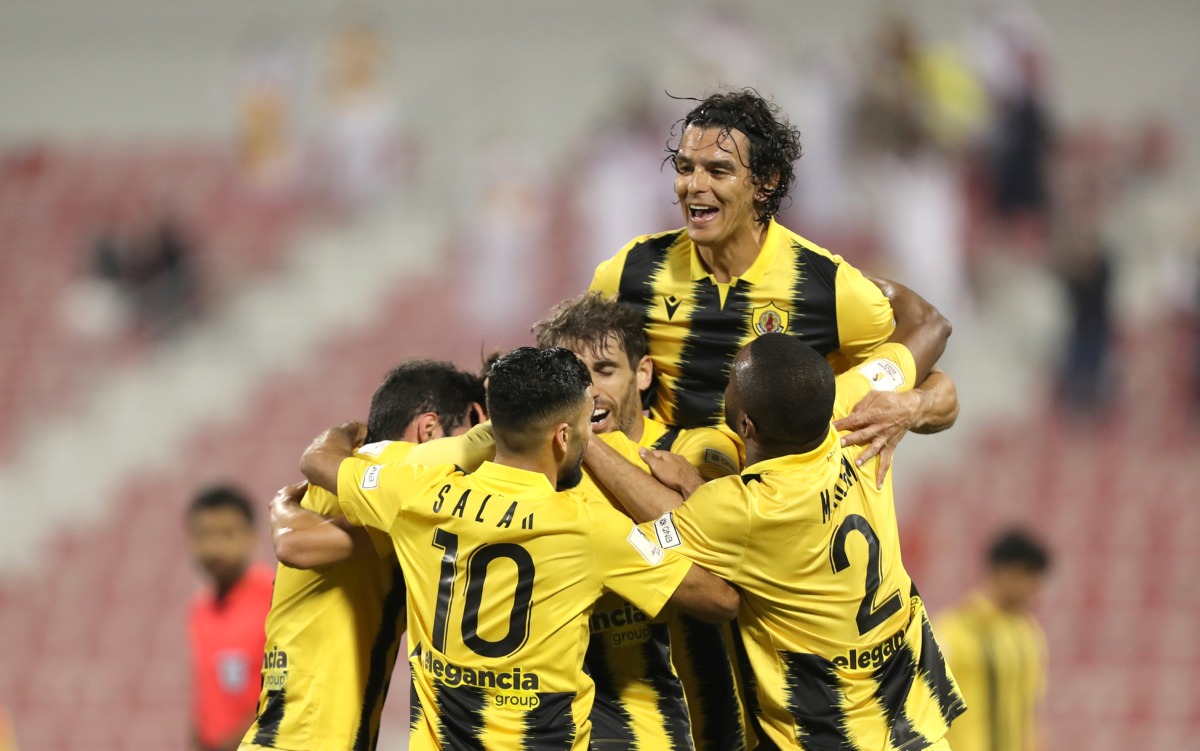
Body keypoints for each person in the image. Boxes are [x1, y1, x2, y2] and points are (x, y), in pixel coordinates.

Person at [280, 347, 740, 750]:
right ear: (563, 436)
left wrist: (342, 434)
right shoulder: (588, 527)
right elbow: (720, 600)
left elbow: (320, 462)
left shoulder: (416, 494)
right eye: (583, 427)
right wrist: (687, 502)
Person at [588, 88, 957, 483]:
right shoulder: (629, 272)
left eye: (717, 171)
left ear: (765, 184)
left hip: (780, 520)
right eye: (685, 167)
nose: (693, 185)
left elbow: (940, 390)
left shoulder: (827, 288)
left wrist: (911, 407)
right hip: (668, 519)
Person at [619, 334, 965, 750]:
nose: (725, 387)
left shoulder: (746, 506)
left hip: (827, 739)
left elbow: (654, 531)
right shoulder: (853, 417)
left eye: (731, 381)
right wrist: (913, 406)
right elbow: (932, 326)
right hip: (918, 729)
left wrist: (586, 447)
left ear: (746, 425)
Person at [240, 360, 485, 751]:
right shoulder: (396, 480)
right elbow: (294, 544)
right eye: (468, 438)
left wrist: (285, 502)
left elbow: (292, 537)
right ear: (430, 430)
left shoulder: (347, 475)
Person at [937, 530, 1052, 751]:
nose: (1035, 588)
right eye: (1028, 576)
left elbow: (1031, 713)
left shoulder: (1028, 634)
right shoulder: (953, 632)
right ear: (1002, 572)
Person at [187, 486, 275, 751]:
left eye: (227, 534)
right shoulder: (199, 608)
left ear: (251, 537)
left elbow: (286, 693)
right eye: (204, 535)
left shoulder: (275, 600)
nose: (215, 547)